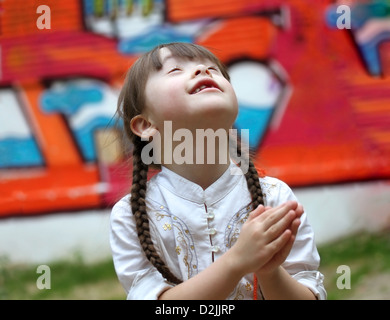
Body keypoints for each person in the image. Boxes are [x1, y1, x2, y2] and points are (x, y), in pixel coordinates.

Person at [110, 42, 326, 300]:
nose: (203, 69)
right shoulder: (130, 215)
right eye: (176, 70)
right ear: (145, 124)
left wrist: (269, 271)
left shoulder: (276, 198)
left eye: (214, 69)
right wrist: (237, 261)